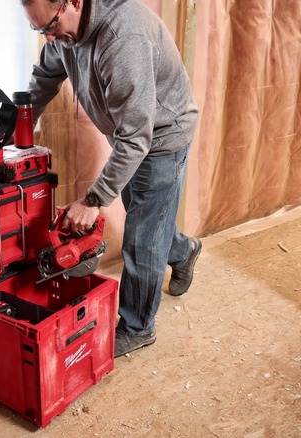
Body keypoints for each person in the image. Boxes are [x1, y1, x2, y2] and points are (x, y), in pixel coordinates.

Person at [20, 0, 202, 358]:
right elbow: (44, 78)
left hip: (161, 138)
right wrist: (19, 122)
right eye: (38, 30)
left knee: (143, 240)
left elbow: (138, 137)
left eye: (50, 26)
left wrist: (93, 200)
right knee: (150, 220)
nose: (48, 37)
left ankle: (137, 327)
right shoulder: (63, 34)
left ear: (73, 2)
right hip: (130, 137)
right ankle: (183, 250)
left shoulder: (123, 37)